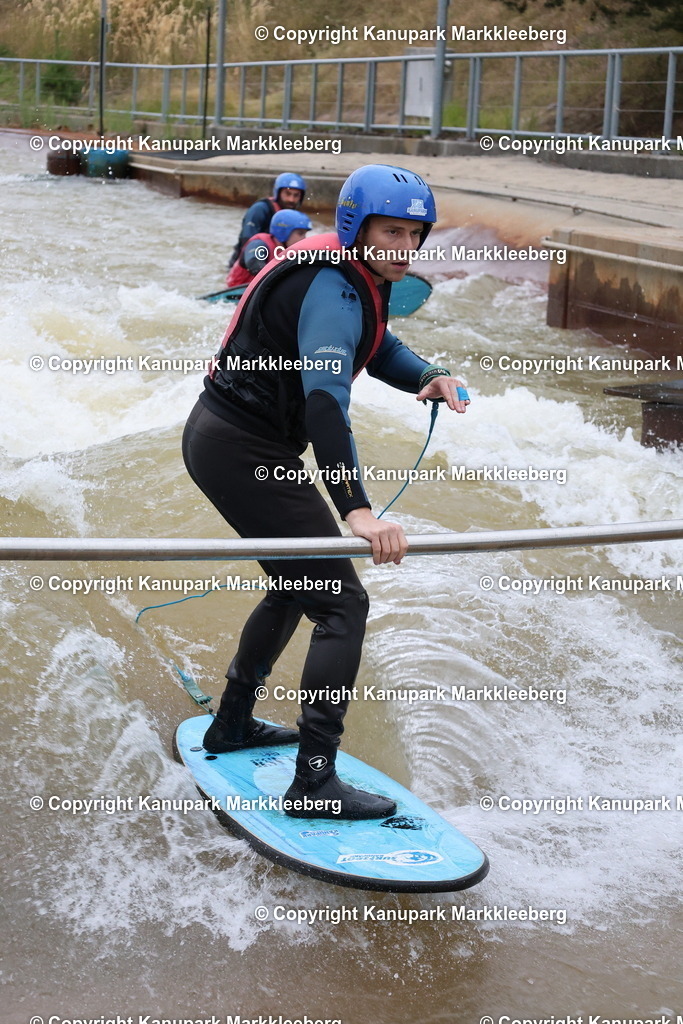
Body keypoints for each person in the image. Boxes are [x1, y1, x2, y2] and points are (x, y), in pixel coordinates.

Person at [182, 163, 470, 821]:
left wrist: (426, 374)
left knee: (298, 583)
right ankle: (314, 782)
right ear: (355, 228)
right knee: (342, 603)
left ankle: (232, 723)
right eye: (391, 232)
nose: (405, 246)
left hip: (229, 439)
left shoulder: (352, 275)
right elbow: (323, 405)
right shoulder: (333, 287)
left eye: (414, 234)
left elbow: (378, 342)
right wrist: (357, 511)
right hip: (240, 450)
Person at [227, 172, 306, 269]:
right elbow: (247, 241)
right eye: (287, 194)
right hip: (248, 263)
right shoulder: (260, 209)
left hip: (271, 264)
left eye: (296, 195)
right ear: (278, 193)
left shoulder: (293, 216)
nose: (291, 199)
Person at [225, 209, 312, 288]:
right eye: (300, 233)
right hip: (234, 293)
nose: (304, 239)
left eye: (305, 234)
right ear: (284, 232)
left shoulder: (290, 253)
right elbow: (254, 264)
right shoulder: (259, 244)